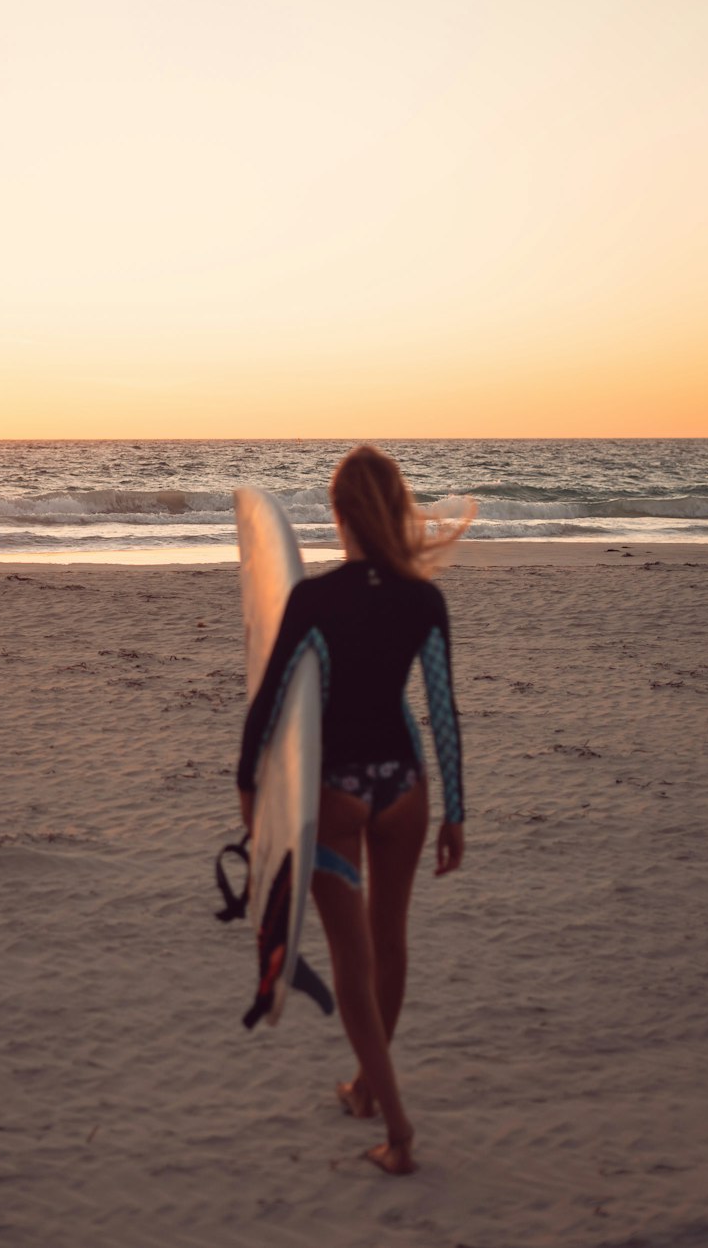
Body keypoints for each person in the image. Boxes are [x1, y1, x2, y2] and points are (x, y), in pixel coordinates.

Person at [236, 445, 470, 1176]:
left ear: (338, 515)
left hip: (334, 796)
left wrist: (254, 807)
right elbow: (441, 710)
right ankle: (366, 1089)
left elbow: (269, 711)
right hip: (405, 788)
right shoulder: (422, 599)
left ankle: (396, 1129)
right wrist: (456, 813)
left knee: (351, 959)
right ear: (398, 508)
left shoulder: (314, 601)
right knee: (389, 943)